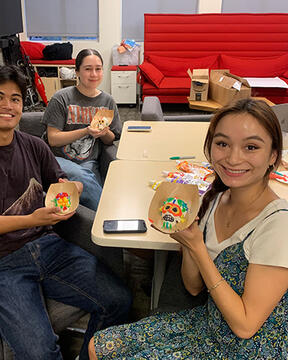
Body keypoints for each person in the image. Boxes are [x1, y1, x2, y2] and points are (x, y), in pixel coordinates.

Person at [0, 61, 131, 360]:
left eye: (15, 98)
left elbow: (59, 184)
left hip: (48, 245)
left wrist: (72, 190)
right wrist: (31, 218)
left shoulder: (33, 146)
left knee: (119, 300)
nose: (8, 105)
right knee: (38, 351)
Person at [88, 98, 288, 359]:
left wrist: (196, 246)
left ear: (273, 155)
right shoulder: (215, 199)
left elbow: (246, 326)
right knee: (97, 346)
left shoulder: (278, 224)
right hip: (210, 321)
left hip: (251, 345)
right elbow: (193, 286)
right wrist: (186, 238)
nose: (233, 158)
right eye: (222, 144)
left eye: (251, 147)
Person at [42, 48, 122, 211]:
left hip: (88, 161)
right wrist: (87, 131)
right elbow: (53, 139)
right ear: (77, 71)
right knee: (83, 177)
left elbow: (111, 139)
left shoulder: (107, 101)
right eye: (88, 69)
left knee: (88, 180)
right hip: (56, 159)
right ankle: (107, 214)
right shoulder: (62, 98)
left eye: (98, 69)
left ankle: (94, 219)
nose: (94, 74)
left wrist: (104, 132)